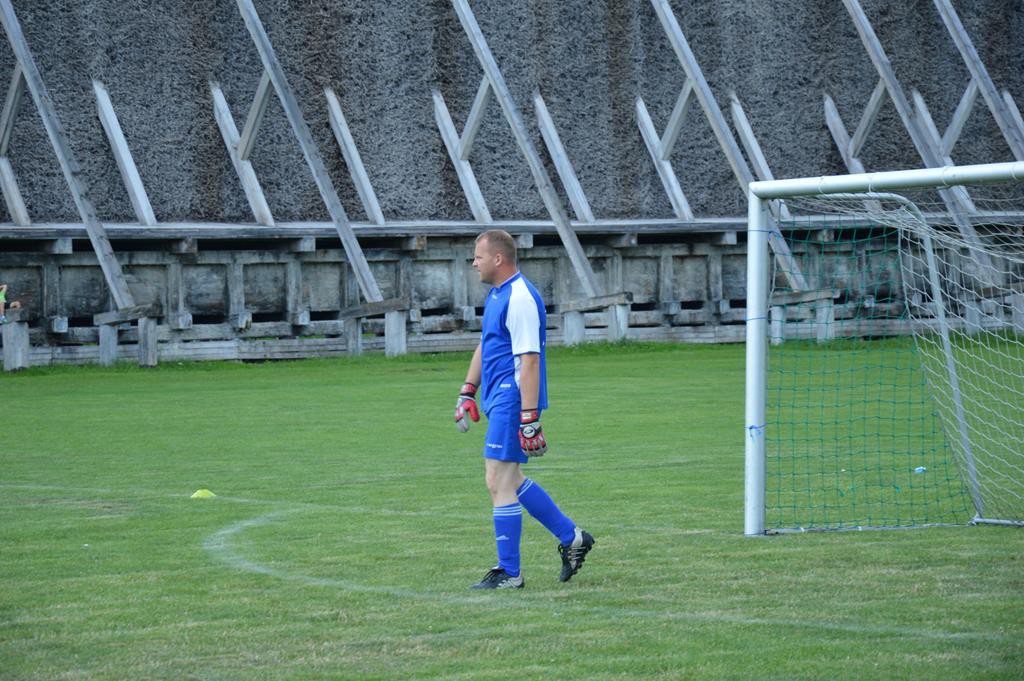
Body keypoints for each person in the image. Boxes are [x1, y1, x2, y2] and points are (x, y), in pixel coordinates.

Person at [455, 229, 594, 590]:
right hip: (499, 398)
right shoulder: (499, 294)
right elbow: (486, 346)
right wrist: (468, 390)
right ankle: (572, 537)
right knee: (511, 480)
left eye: (478, 256)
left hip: (513, 399)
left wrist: (529, 419)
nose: (474, 263)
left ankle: (510, 573)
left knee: (497, 480)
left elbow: (530, 361)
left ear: (498, 259)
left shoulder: (519, 297)